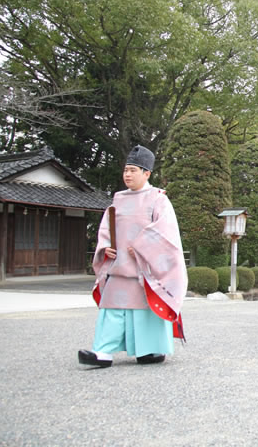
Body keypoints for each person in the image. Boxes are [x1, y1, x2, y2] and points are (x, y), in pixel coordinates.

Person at [79, 145, 188, 368]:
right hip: (119, 267)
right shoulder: (118, 199)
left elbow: (166, 233)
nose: (127, 174)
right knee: (112, 309)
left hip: (144, 269)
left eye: (133, 170)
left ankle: (149, 351)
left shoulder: (158, 199)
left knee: (145, 311)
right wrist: (105, 247)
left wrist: (141, 246)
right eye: (126, 170)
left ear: (146, 173)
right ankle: (102, 353)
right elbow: (106, 228)